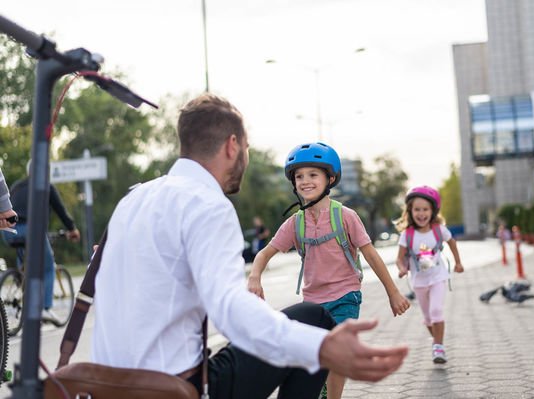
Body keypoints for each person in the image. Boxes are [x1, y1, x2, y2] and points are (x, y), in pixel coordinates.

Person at [91, 94, 408, 399]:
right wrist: (319, 347)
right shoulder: (207, 204)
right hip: (175, 389)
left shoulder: (133, 200)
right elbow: (231, 310)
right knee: (314, 322)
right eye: (246, 147)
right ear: (232, 146)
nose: (245, 155)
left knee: (303, 324)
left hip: (107, 385)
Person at [248, 142, 410, 399]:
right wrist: (255, 276)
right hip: (312, 303)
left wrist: (393, 293)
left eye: (313, 175)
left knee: (339, 352)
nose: (305, 181)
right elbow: (265, 253)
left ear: (330, 178)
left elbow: (371, 255)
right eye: (299, 176)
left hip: (346, 295)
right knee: (316, 357)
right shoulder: (295, 223)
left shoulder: (345, 216)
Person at [1, 162, 80, 323]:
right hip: (32, 230)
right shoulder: (46, 187)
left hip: (8, 232)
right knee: (48, 265)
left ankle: (21, 286)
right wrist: (72, 229)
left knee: (25, 262)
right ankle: (45, 308)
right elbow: (60, 210)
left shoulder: (17, 186)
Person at [394, 185, 464, 364]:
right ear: (410, 211)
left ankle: (438, 347)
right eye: (417, 209)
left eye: (425, 209)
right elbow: (399, 259)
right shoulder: (407, 235)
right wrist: (402, 269)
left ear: (433, 211)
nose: (421, 213)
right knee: (427, 318)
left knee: (436, 311)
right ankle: (437, 342)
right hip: (418, 281)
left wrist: (458, 262)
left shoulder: (438, 230)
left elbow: (452, 243)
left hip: (438, 277)